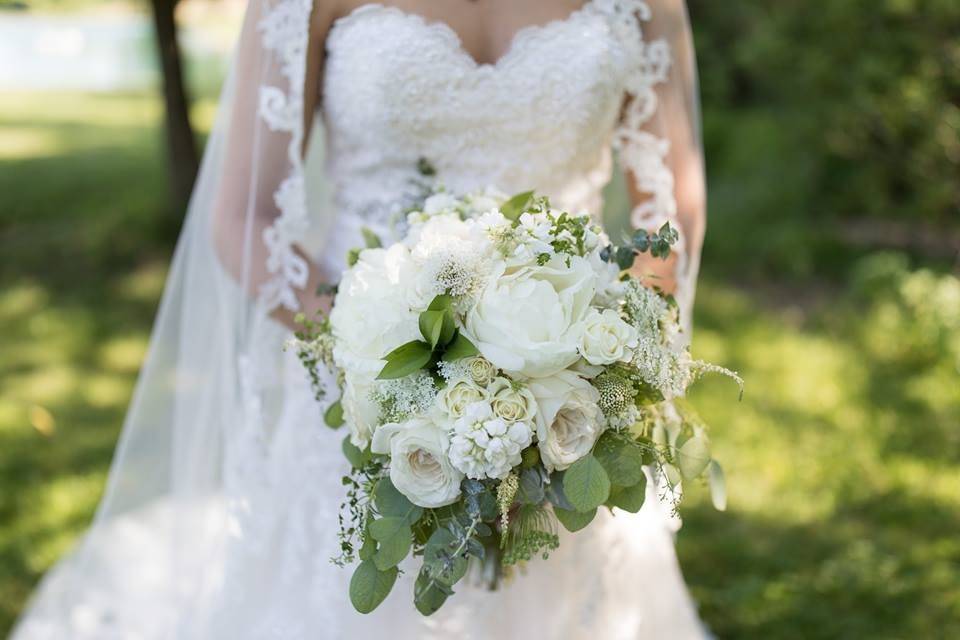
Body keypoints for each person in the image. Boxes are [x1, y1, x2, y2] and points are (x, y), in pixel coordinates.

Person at [13, 1, 709, 637]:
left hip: (570, 396)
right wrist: (383, 372)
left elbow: (670, 213)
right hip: (356, 385)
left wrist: (585, 373)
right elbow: (243, 218)